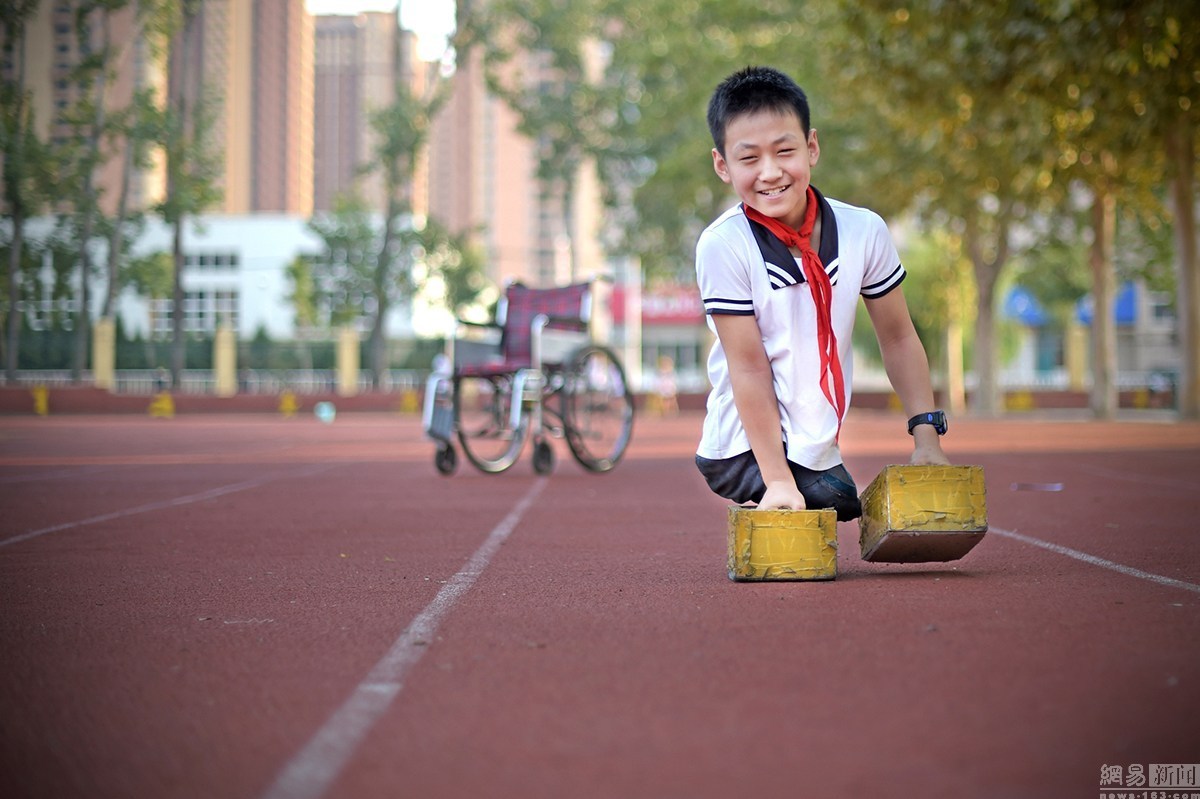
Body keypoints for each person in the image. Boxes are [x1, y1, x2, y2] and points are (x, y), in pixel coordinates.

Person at [694, 66, 949, 519]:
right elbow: (748, 368)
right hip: (741, 445)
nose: (770, 173)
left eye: (785, 151)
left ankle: (806, 477)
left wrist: (926, 438)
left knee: (841, 497)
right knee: (841, 502)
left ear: (811, 147)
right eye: (749, 159)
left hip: (813, 441)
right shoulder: (723, 244)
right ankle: (782, 479)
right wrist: (776, 481)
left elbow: (899, 337)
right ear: (722, 165)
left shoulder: (863, 230)